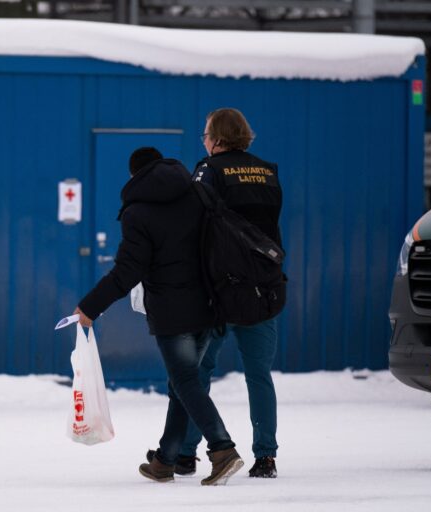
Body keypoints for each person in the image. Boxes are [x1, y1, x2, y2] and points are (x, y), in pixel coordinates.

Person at [74, 147, 244, 485]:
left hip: (172, 311)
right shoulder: (199, 192)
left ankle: (222, 448)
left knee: (184, 381)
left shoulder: (139, 212)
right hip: (209, 304)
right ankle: (166, 459)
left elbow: (126, 271)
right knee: (182, 383)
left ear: (134, 174)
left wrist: (90, 307)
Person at [179, 108, 283, 479]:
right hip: (263, 290)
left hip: (219, 292)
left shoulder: (209, 170)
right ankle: (266, 457)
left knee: (197, 373)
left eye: (206, 133)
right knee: (259, 375)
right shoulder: (268, 171)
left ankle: (187, 453)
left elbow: (192, 226)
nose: (203, 140)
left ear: (218, 137)